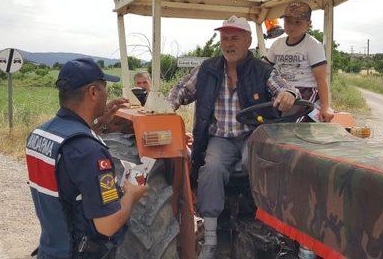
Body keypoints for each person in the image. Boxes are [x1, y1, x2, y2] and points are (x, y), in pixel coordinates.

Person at [167, 15, 299, 259]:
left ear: (248, 40)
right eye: (224, 38)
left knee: (258, 163)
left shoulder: (261, 70)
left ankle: (269, 226)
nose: (229, 43)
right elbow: (182, 89)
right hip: (221, 137)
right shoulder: (208, 69)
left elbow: (283, 86)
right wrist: (167, 106)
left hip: (252, 135)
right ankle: (210, 237)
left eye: (235, 38)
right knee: (212, 168)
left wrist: (288, 94)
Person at [26, 57, 147, 259]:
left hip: (51, 250)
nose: (108, 93)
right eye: (105, 87)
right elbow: (107, 225)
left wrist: (97, 123)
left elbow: (67, 165)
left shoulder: (40, 135)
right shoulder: (90, 153)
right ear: (93, 92)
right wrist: (132, 195)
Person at [266, 1, 334, 122]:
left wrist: (326, 107)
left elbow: (321, 78)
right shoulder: (277, 44)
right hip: (282, 89)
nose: (292, 26)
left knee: (293, 122)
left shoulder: (313, 45)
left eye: (298, 22)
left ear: (308, 24)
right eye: (288, 21)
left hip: (305, 90)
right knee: (269, 120)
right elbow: (264, 67)